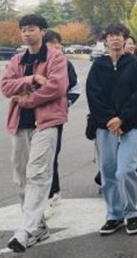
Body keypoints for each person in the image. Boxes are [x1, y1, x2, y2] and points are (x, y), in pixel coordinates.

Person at [0, 14, 69, 252]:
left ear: (42, 31)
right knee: (20, 177)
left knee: (38, 173)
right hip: (20, 124)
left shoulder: (55, 57)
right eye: (23, 30)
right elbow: (5, 86)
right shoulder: (17, 60)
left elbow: (57, 87)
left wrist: (26, 99)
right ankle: (38, 226)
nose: (27, 33)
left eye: (31, 29)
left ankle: (25, 230)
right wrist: (32, 78)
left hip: (46, 123)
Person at [86, 23, 137, 236]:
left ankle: (131, 212)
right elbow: (93, 95)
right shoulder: (98, 66)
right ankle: (114, 215)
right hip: (105, 127)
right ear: (105, 40)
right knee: (108, 172)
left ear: (125, 38)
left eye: (118, 35)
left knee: (126, 170)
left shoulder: (136, 65)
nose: (114, 39)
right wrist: (109, 119)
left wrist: (122, 119)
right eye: (110, 36)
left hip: (130, 126)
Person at [42, 30, 81, 220]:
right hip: (31, 117)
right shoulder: (31, 62)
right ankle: (45, 194)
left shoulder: (65, 63)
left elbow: (76, 88)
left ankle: (52, 194)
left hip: (54, 118)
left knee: (50, 156)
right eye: (51, 43)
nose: (56, 46)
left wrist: (64, 104)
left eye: (57, 42)